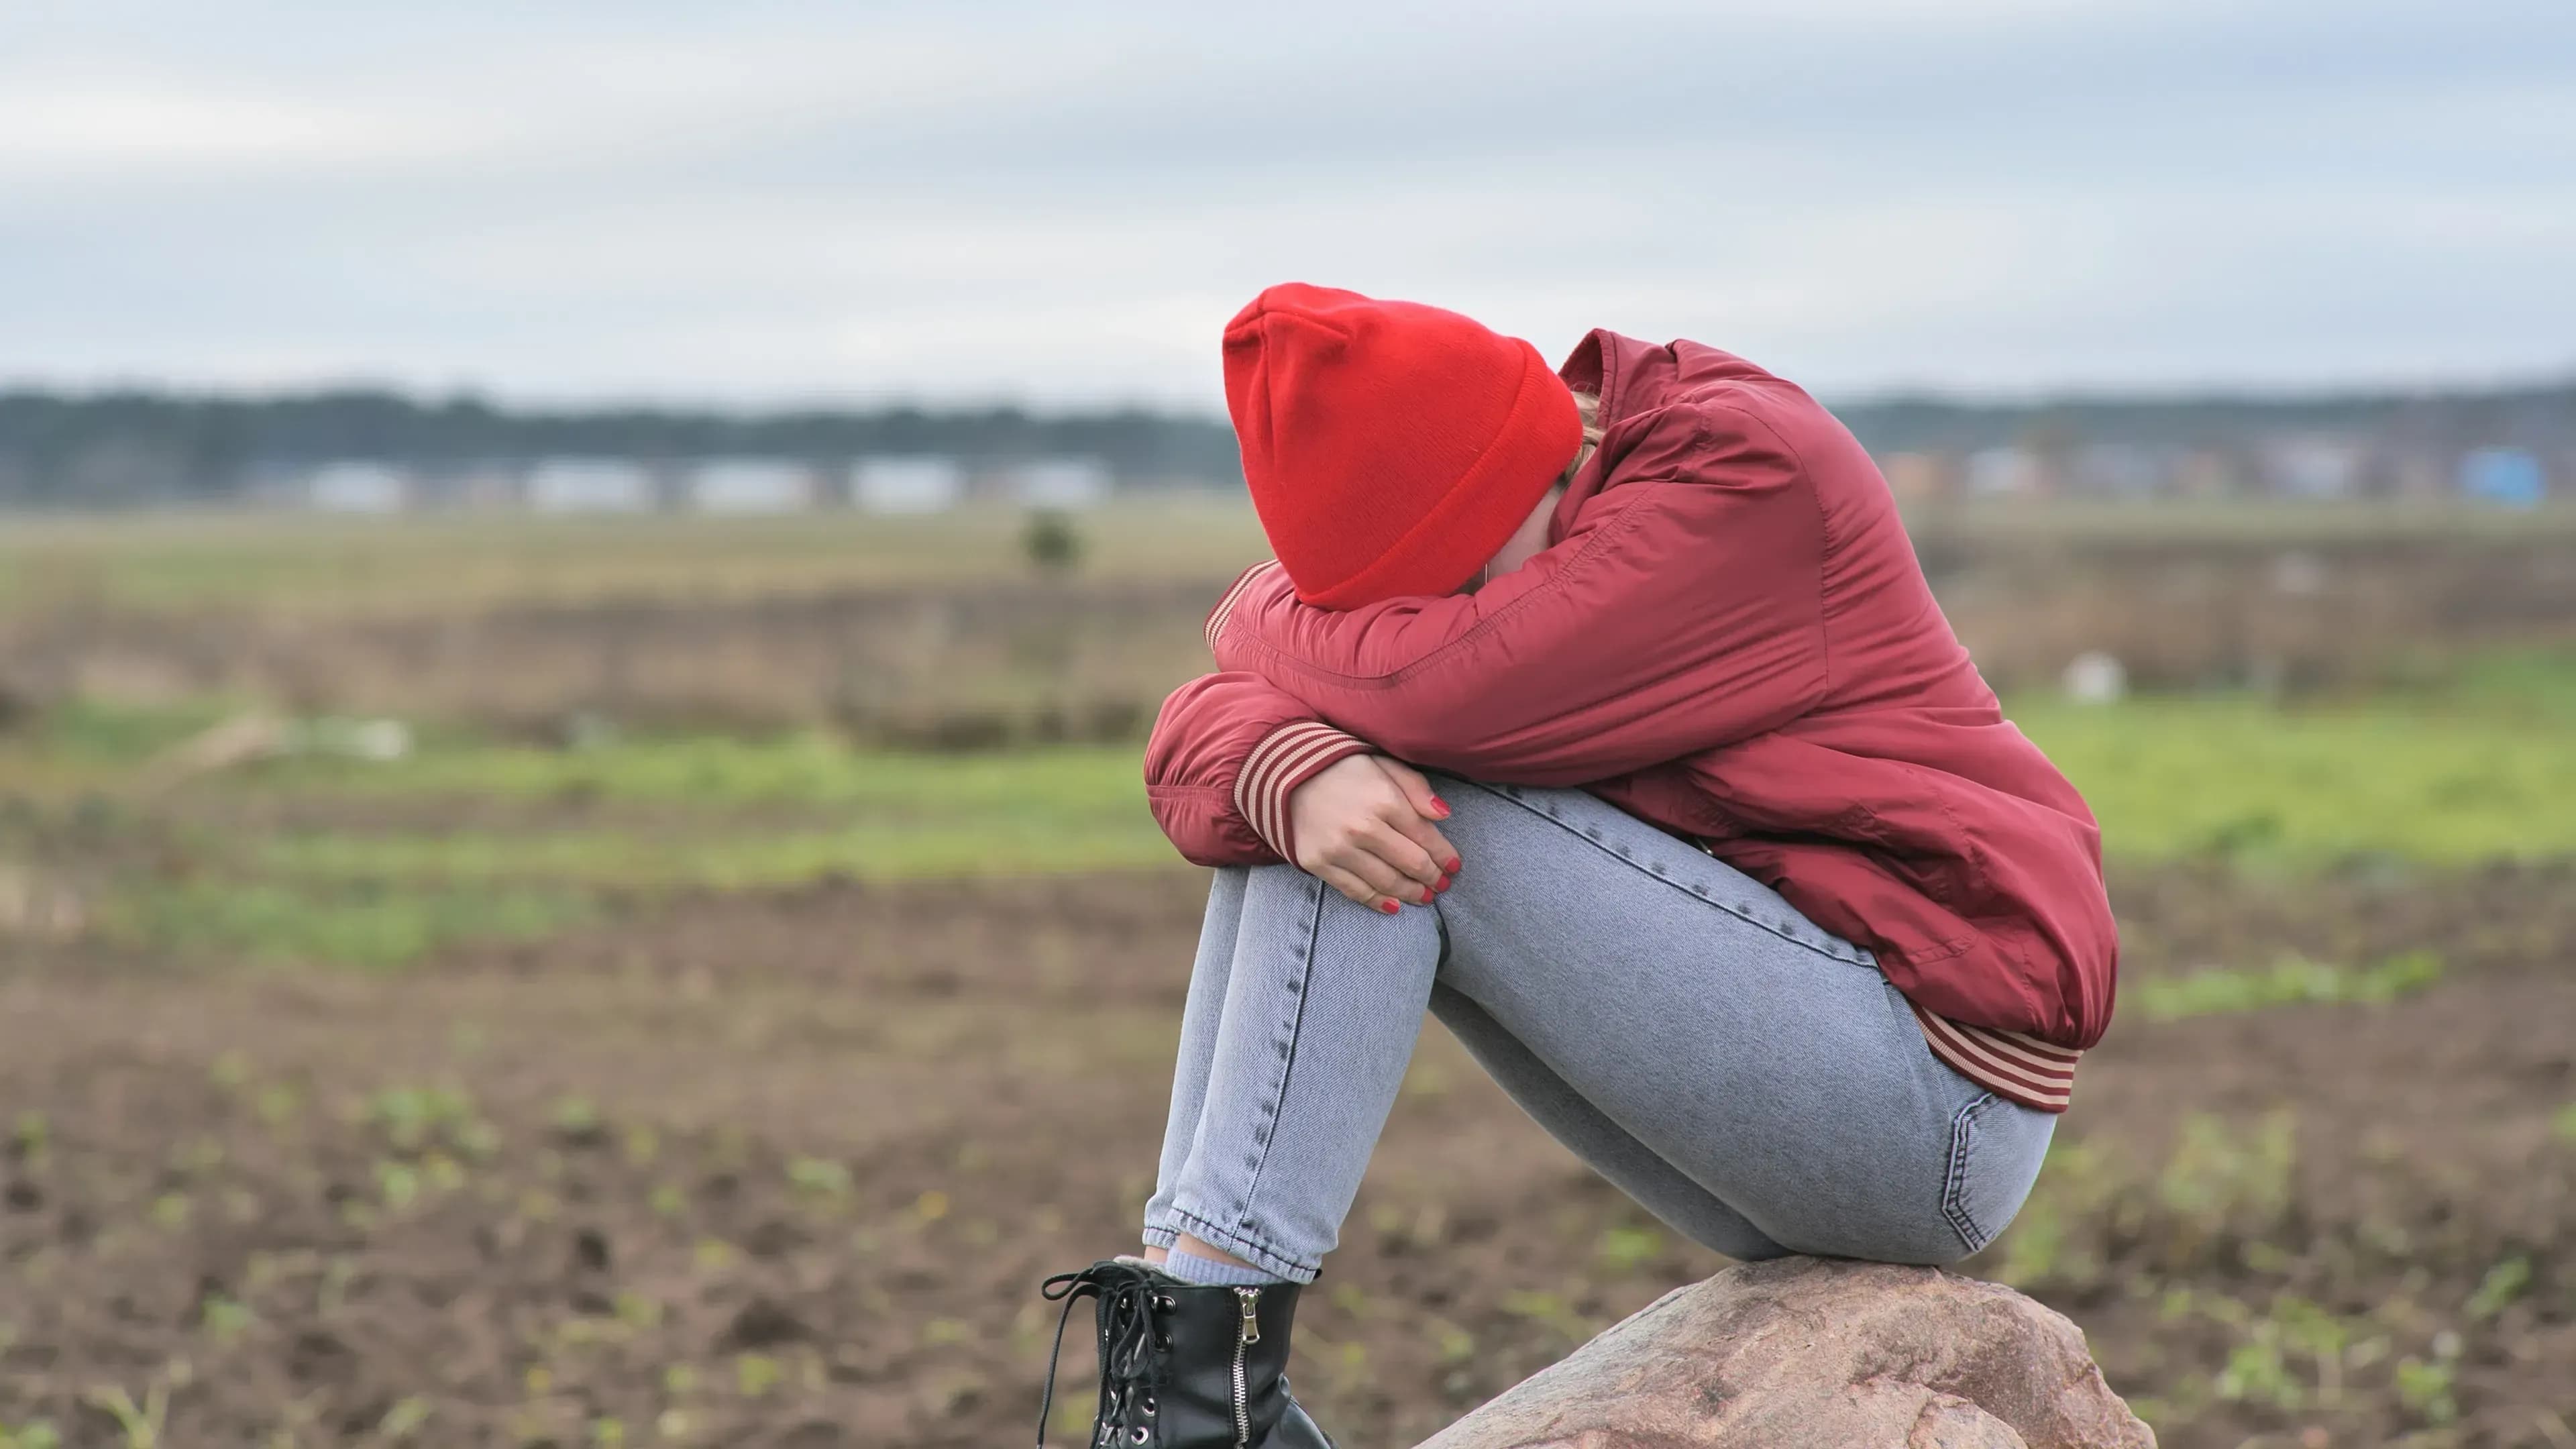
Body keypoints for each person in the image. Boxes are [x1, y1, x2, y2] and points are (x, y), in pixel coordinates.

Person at [1034, 284, 2118, 1449]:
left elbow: (1429, 691)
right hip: (1817, 1078)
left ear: (1523, 473)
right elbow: (1235, 738)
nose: (1457, 613)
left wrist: (1256, 623)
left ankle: (1205, 1409)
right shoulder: (1567, 491)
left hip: (1936, 1101)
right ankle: (1192, 1359)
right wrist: (1285, 761)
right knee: (1317, 792)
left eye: (1455, 586)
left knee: (1398, 805)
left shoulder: (1742, 481)